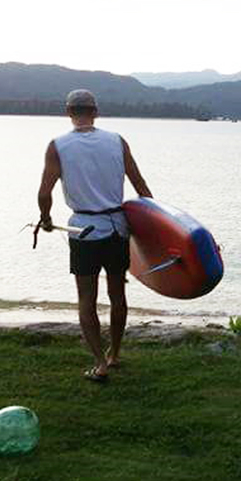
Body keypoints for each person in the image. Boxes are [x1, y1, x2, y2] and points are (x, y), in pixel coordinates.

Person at [37, 89, 153, 383]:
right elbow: (141, 186)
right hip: (117, 227)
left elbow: (44, 192)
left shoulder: (58, 145)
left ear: (68, 112)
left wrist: (46, 219)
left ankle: (100, 363)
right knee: (118, 295)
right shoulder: (116, 141)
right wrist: (155, 225)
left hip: (83, 231)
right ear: (96, 111)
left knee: (86, 298)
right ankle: (115, 354)